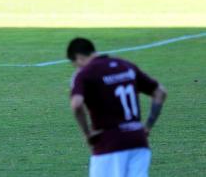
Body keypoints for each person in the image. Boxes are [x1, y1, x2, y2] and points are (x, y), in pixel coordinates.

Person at [68, 38, 167, 177]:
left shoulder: (85, 73)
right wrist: (147, 126)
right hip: (138, 142)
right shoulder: (126, 65)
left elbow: (77, 104)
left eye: (75, 64)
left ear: (78, 58)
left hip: (108, 145)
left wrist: (87, 134)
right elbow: (160, 92)